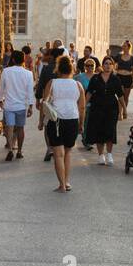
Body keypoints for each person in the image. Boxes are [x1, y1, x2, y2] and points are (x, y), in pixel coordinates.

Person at [42, 55, 86, 192]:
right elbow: (82, 107)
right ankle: (66, 182)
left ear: (58, 69)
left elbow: (44, 103)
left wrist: (40, 121)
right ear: (71, 69)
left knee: (58, 154)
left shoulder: (52, 83)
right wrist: (81, 124)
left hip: (56, 121)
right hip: (72, 119)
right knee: (67, 153)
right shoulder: (78, 85)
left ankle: (61, 185)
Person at [85, 55, 124, 165]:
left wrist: (124, 109)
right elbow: (89, 93)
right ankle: (101, 155)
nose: (108, 66)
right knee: (99, 131)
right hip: (97, 108)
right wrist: (83, 106)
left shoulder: (115, 79)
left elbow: (120, 95)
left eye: (110, 64)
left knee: (110, 131)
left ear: (113, 66)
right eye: (106, 63)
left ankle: (109, 154)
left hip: (111, 108)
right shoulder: (95, 78)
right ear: (102, 65)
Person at [0, 49, 33, 160]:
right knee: (20, 128)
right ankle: (19, 150)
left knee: (9, 127)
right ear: (23, 60)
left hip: (9, 105)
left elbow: (1, 87)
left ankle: (10, 149)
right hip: (21, 106)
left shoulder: (6, 71)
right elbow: (30, 91)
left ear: (12, 59)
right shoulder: (28, 73)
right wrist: (31, 106)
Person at [35, 44, 62, 161]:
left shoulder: (46, 68)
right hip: (61, 99)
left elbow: (41, 84)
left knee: (47, 124)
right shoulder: (64, 68)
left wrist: (37, 98)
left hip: (48, 99)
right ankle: (58, 149)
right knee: (60, 124)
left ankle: (50, 148)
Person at [115, 41, 133, 120]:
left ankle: (125, 110)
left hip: (128, 77)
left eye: (125, 46)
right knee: (120, 95)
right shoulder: (118, 56)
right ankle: (120, 113)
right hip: (119, 77)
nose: (123, 47)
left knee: (126, 96)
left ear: (129, 47)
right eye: (123, 46)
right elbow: (114, 65)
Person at [77, 57, 97, 150]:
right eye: (87, 65)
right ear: (84, 66)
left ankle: (89, 139)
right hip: (84, 102)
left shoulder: (98, 76)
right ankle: (86, 140)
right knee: (86, 121)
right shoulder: (79, 77)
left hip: (96, 103)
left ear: (94, 66)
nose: (89, 67)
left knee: (93, 122)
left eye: (91, 65)